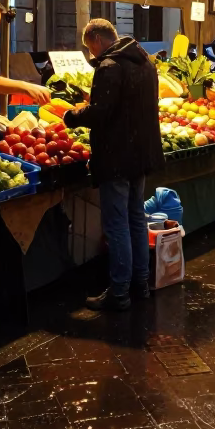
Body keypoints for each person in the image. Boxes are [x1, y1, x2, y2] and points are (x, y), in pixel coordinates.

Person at [64, 19, 163, 312]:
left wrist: (74, 116)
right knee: (136, 219)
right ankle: (141, 284)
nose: (91, 54)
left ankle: (119, 292)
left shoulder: (110, 66)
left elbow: (101, 114)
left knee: (117, 223)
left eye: (89, 47)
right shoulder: (146, 62)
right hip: (141, 154)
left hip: (117, 156)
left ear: (96, 38)